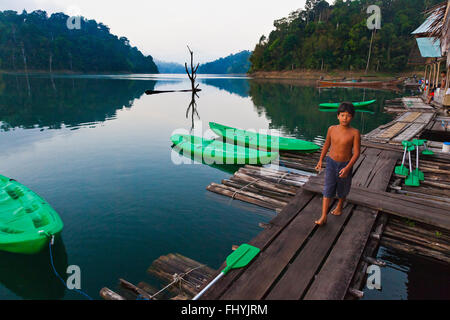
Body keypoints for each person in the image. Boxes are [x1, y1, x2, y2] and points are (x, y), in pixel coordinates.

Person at [314, 102, 361, 226]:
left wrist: (347, 168)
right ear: (338, 116)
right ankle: (324, 216)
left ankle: (340, 206)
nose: (345, 118)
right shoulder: (332, 129)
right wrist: (320, 160)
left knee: (343, 188)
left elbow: (356, 153)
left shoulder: (354, 133)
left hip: (345, 164)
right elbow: (326, 145)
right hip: (331, 163)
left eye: (348, 116)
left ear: (352, 117)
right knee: (328, 188)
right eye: (342, 115)